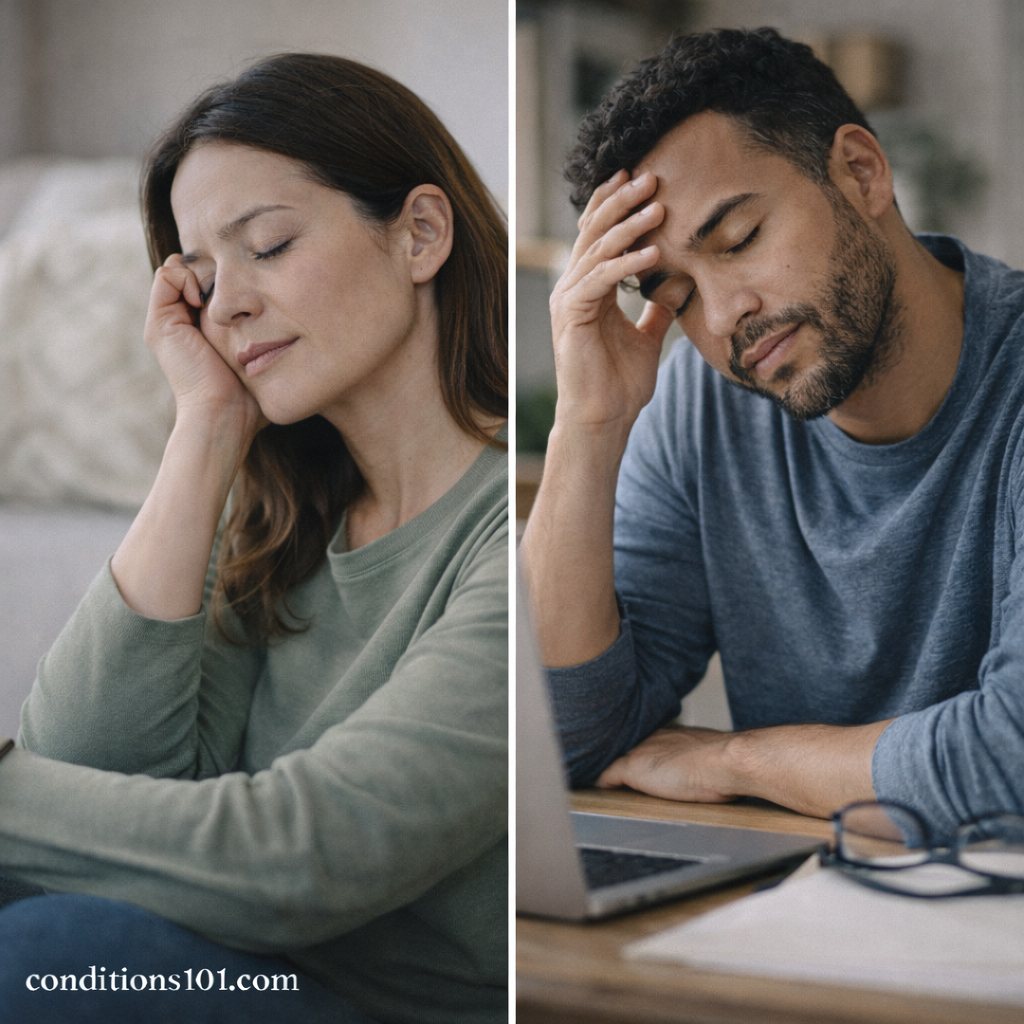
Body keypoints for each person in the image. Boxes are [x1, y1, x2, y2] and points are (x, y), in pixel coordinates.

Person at [0, 53, 507, 1024]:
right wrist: (206, 431)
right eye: (201, 277)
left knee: (46, 950)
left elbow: (305, 857)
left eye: (267, 246)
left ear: (420, 234)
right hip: (248, 972)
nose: (225, 303)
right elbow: (80, 785)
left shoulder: (511, 532)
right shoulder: (282, 515)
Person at [520, 26, 1024, 841]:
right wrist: (589, 423)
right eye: (679, 297)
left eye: (739, 240)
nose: (724, 319)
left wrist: (735, 762)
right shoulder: (699, 409)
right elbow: (560, 741)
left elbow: (1010, 762)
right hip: (800, 900)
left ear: (860, 172)